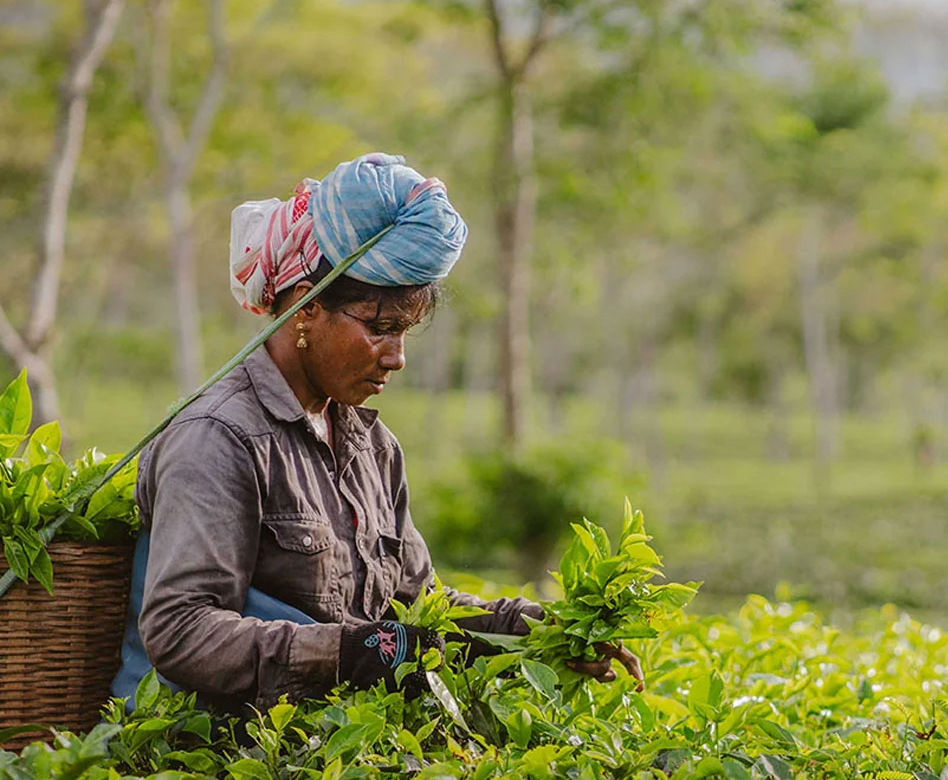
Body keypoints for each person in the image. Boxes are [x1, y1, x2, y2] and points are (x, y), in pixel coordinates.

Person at [121, 153, 641, 720]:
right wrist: (345, 653)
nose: (396, 357)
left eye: (405, 332)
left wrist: (532, 630)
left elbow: (418, 610)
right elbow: (180, 630)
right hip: (211, 756)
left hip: (330, 747)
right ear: (306, 308)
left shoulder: (371, 445)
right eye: (379, 327)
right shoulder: (219, 438)